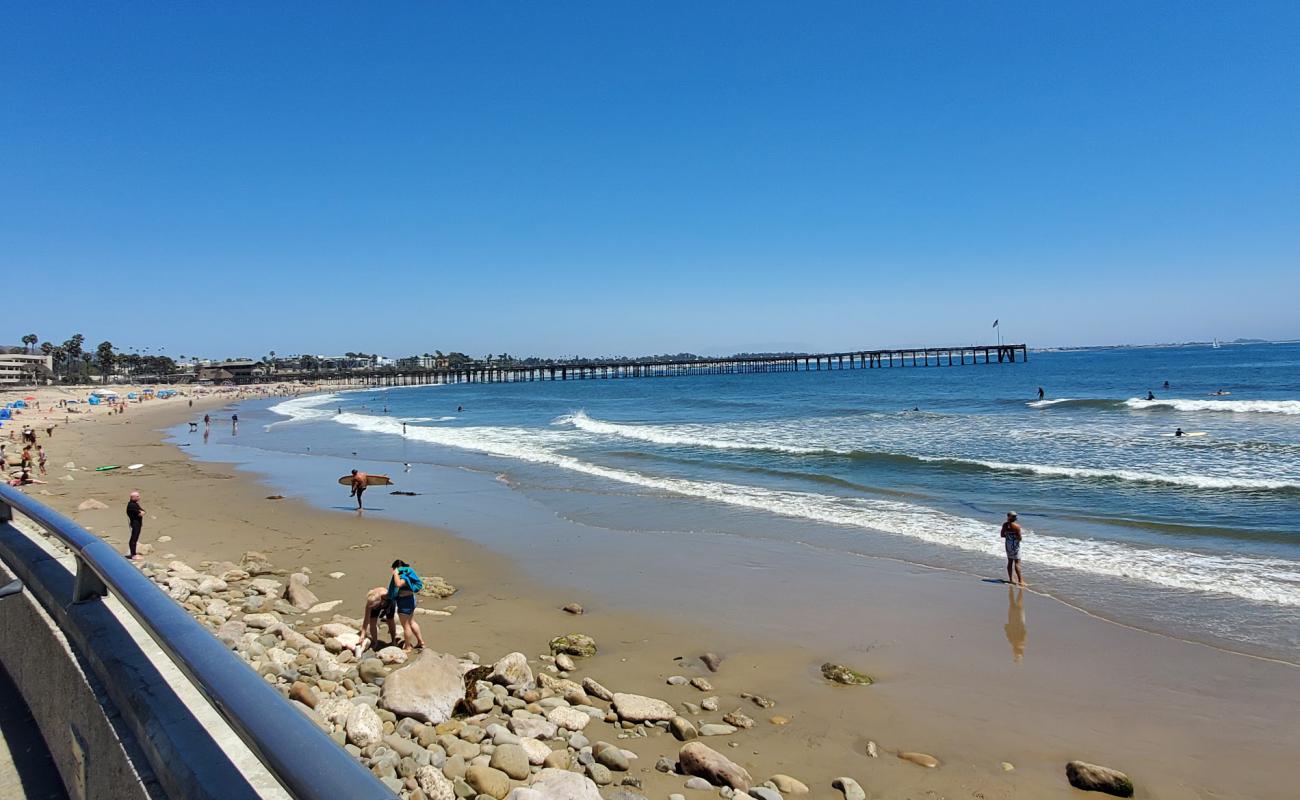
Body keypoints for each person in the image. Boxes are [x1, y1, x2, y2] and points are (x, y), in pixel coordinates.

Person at [388, 560, 426, 650]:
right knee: (412, 622)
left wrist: (396, 573)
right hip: (411, 600)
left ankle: (408, 646)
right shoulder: (408, 574)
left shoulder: (403, 576)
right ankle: (421, 642)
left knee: (406, 626)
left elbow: (398, 584)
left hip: (404, 602)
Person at [355, 586, 398, 654]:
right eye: (372, 606)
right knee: (372, 621)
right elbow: (366, 619)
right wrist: (362, 635)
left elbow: (396, 590)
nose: (373, 607)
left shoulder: (386, 594)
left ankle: (393, 641)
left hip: (389, 603)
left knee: (390, 619)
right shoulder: (370, 602)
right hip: (379, 603)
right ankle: (375, 642)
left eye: (374, 606)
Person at [1000, 511, 1023, 586]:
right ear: (1010, 517)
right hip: (1015, 546)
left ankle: (1011, 579)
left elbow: (1002, 535)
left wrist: (1009, 536)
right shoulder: (1017, 526)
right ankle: (1020, 581)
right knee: (1017, 562)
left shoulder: (1005, 525)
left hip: (1008, 545)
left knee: (1010, 562)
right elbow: (1019, 538)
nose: (1016, 517)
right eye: (1014, 516)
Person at [126, 491, 144, 560]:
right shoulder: (132, 505)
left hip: (137, 523)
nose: (139, 497)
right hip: (135, 523)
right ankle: (133, 555)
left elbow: (143, 511)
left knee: (135, 538)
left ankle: (133, 553)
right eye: (138, 496)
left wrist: (141, 512)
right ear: (133, 497)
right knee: (134, 539)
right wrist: (141, 512)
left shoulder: (135, 504)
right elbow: (140, 512)